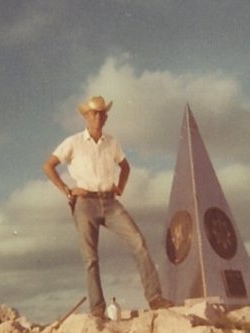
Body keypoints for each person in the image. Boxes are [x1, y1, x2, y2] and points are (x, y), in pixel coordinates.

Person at [43, 96, 174, 318]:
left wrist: (120, 187)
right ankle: (97, 309)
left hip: (110, 202)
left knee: (139, 242)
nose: (98, 117)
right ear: (86, 116)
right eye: (94, 113)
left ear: (106, 117)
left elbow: (125, 167)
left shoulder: (112, 142)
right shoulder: (73, 142)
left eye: (102, 113)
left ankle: (155, 298)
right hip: (85, 204)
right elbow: (49, 166)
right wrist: (67, 190)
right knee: (90, 258)